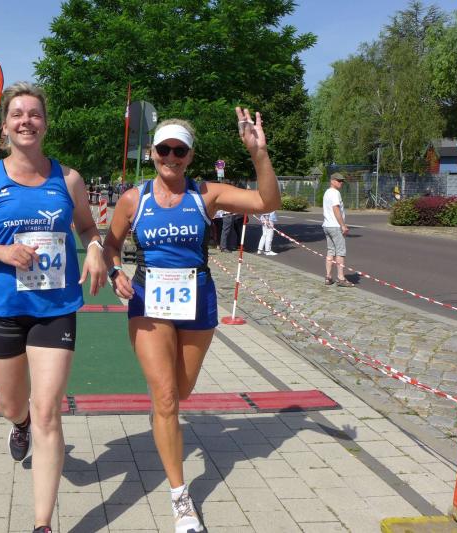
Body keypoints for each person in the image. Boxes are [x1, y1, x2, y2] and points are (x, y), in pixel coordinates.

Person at [103, 110, 280, 533]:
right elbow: (110, 245)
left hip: (197, 300)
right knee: (166, 397)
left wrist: (259, 154)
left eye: (179, 151)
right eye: (164, 149)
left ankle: (163, 421)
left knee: (180, 392)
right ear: (152, 153)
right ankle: (181, 498)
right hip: (148, 301)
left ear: (190, 156)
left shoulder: (206, 194)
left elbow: (267, 203)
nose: (171, 157)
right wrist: (115, 271)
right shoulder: (134, 199)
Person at [0, 81, 107, 533]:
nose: (26, 121)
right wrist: (1, 252)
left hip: (55, 306)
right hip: (2, 307)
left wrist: (95, 249)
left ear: (45, 124)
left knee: (49, 410)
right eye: (17, 114)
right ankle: (20, 423)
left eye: (34, 114)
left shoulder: (68, 179)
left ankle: (42, 524)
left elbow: (88, 228)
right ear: (5, 127)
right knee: (14, 405)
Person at [322, 173, 354, 287]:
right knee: (340, 252)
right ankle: (341, 278)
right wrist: (343, 225)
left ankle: (328, 277)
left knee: (330, 251)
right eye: (338, 180)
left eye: (342, 181)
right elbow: (336, 208)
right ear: (332, 181)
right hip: (335, 226)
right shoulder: (335, 193)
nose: (341, 183)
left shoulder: (327, 192)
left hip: (327, 225)